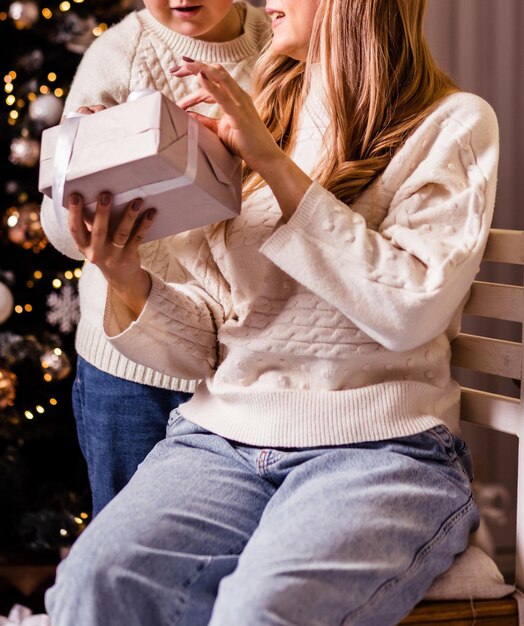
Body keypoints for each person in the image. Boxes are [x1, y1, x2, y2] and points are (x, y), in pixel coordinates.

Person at [45, 0, 500, 624]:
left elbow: (409, 309)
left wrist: (270, 163)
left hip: (380, 450)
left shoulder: (453, 123)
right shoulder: (258, 109)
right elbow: (206, 343)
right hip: (220, 440)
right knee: (90, 588)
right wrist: (124, 276)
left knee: (258, 611)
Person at [40, 0, 269, 516]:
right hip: (126, 371)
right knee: (124, 528)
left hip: (242, 361)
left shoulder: (279, 43)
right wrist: (88, 166)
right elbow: (59, 227)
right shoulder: (117, 55)